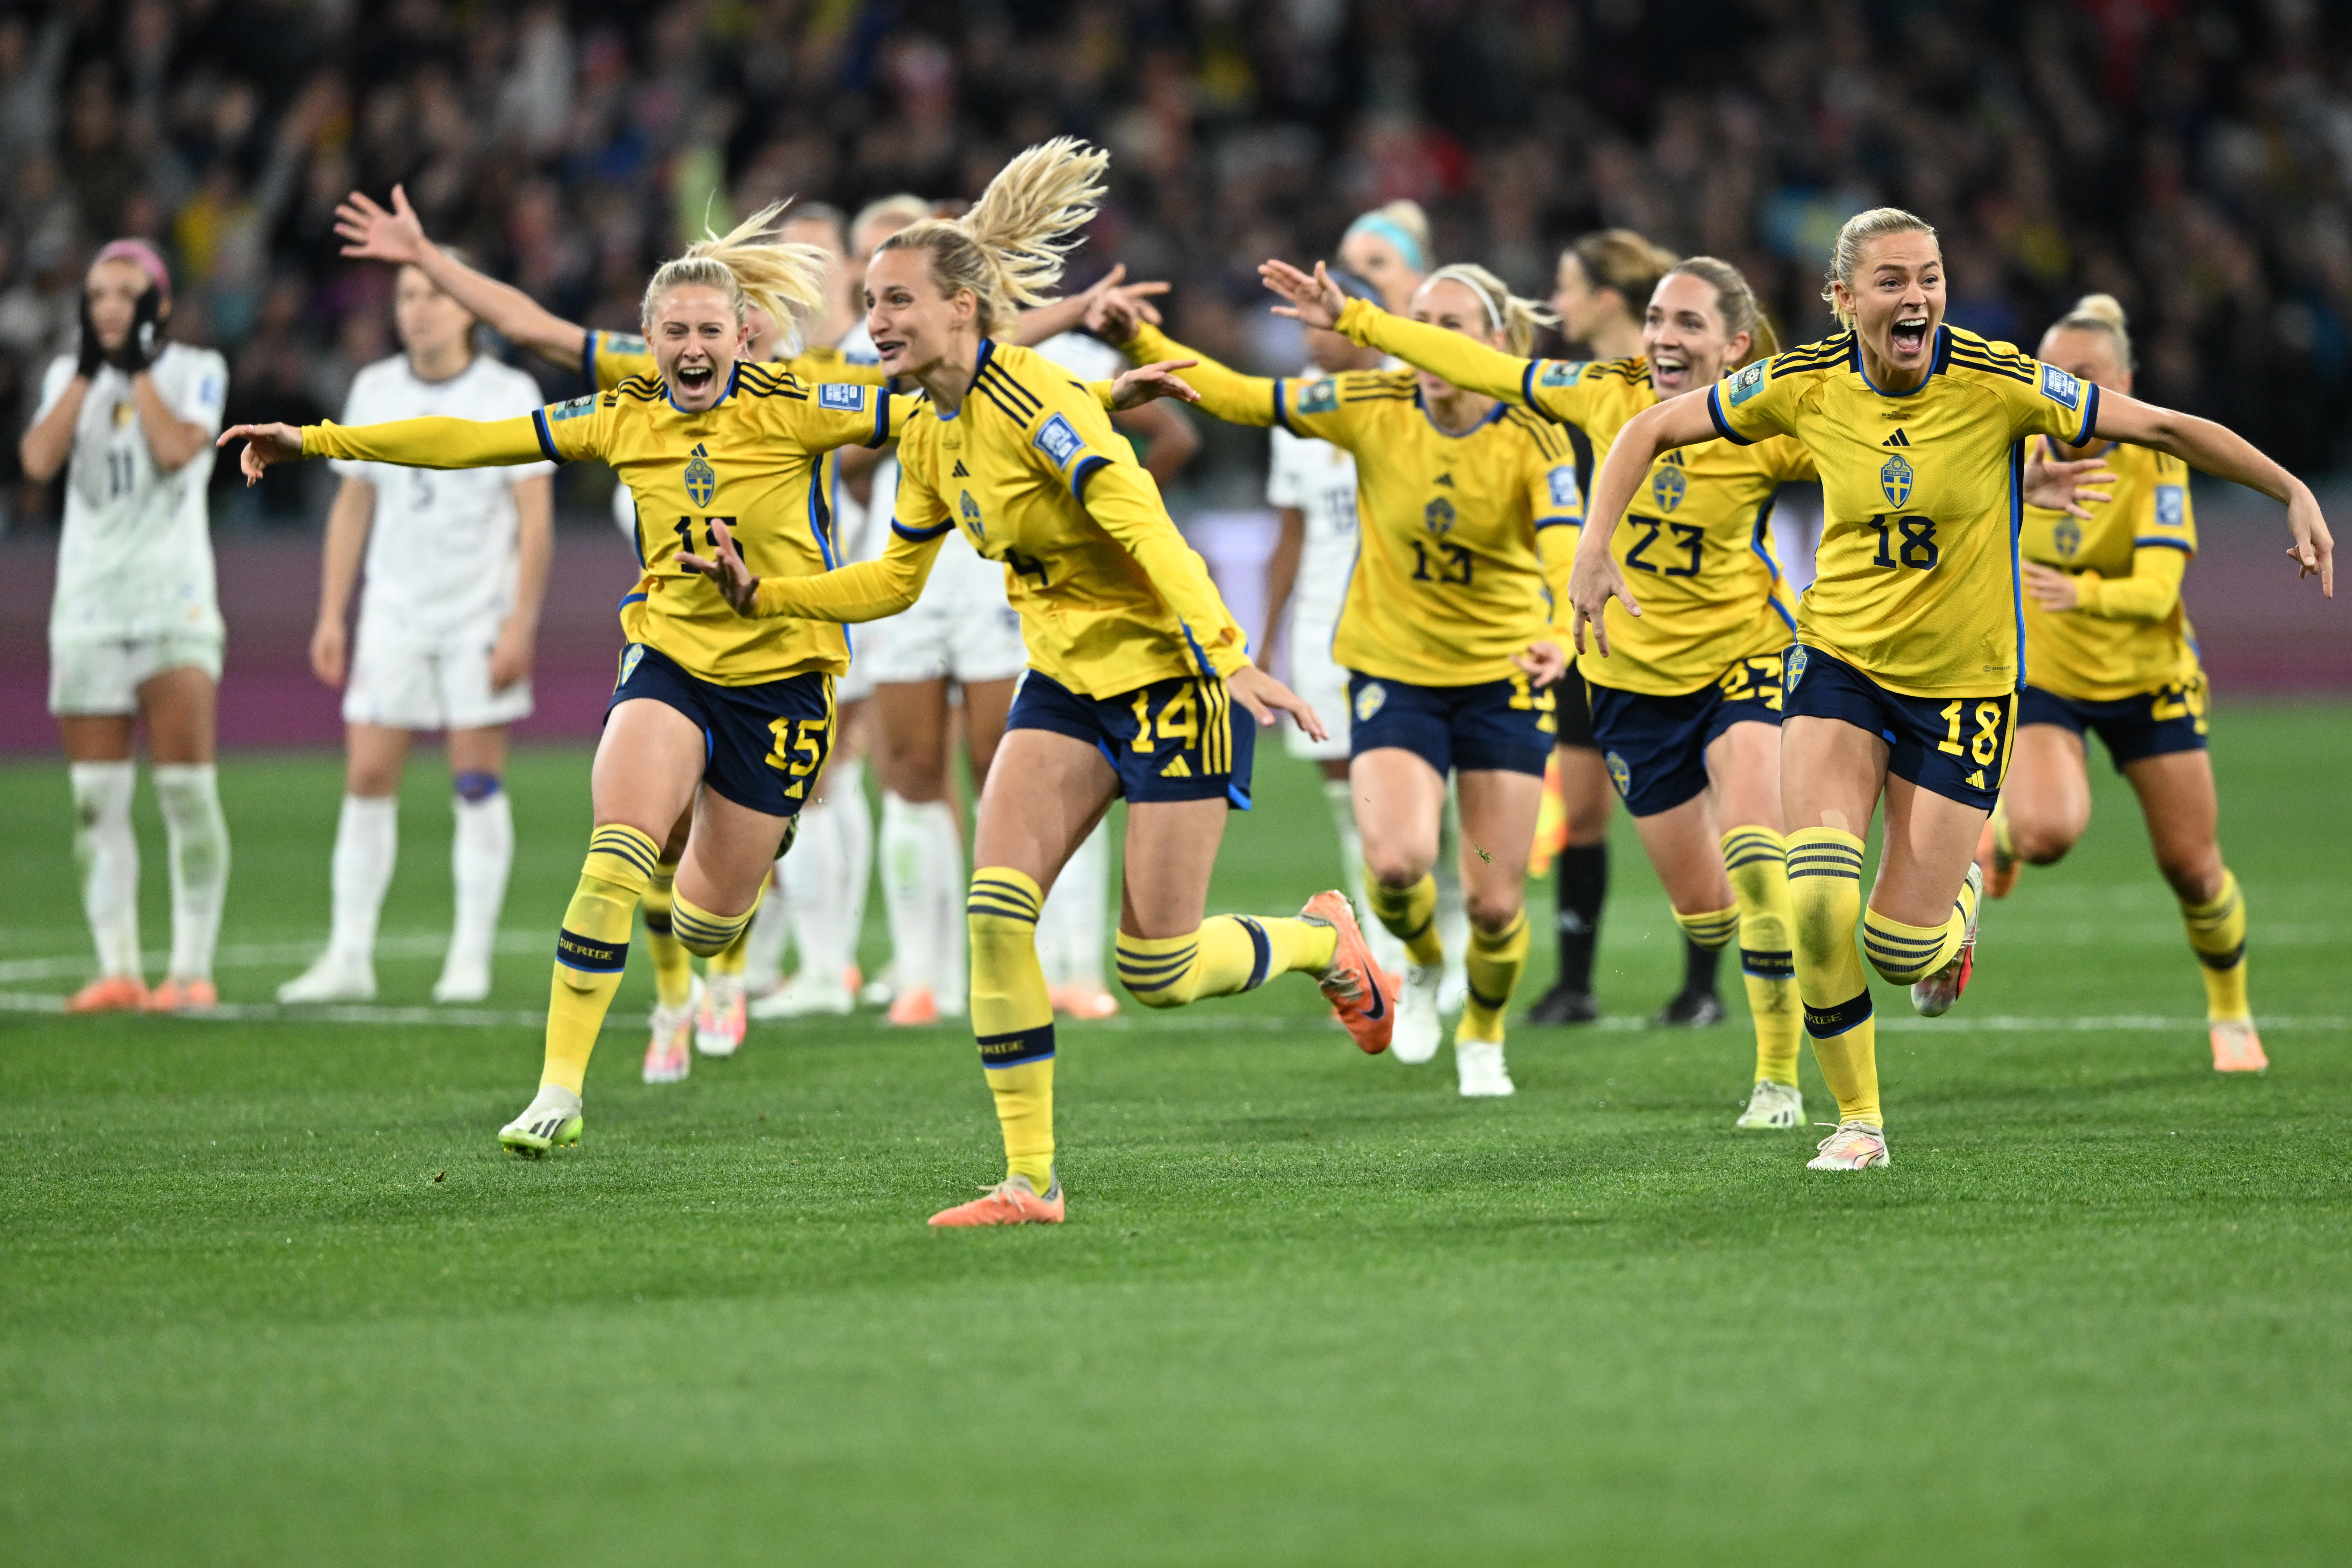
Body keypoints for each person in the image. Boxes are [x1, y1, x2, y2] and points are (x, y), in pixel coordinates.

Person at [682, 138, 1393, 1225]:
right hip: (1063, 686)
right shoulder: (928, 427)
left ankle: (1319, 942)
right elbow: (890, 582)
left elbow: (1139, 518)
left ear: (965, 308)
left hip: (1168, 679)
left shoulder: (1039, 402)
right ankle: (1031, 1181)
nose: (875, 321)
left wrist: (1229, 649)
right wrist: (767, 597)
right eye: (869, 301)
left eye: (897, 300)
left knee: (1157, 970)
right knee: (996, 910)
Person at [1571, 207, 2332, 1171]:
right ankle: (1859, 1122)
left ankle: (1955, 906)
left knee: (1898, 948)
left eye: (1927, 276)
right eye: (1890, 280)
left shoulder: (1996, 378)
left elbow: (2160, 425)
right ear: (1840, 299)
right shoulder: (1800, 383)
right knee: (1814, 899)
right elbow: (1648, 427)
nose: (1916, 297)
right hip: (1837, 664)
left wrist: (2289, 488)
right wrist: (1593, 544)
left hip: (1962, 691)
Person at [225, 207, 923, 1150]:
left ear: (742, 333)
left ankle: (718, 933)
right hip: (669, 661)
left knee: (707, 920)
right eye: (672, 331)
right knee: (617, 850)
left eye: (708, 330)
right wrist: (317, 439)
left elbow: (944, 400)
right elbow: (470, 441)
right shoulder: (624, 412)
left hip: (784, 682)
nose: (689, 345)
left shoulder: (804, 401)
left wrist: (1083, 404)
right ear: (649, 339)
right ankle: (558, 1090)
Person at [1262, 253, 1818, 1129]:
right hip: (1629, 682)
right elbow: (1483, 367)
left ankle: (1778, 1080)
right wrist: (1356, 318)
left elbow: (1881, 457)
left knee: (1757, 856)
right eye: (1656, 320)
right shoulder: (1601, 391)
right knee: (1707, 915)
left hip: (1741, 660)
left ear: (1734, 344)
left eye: (1687, 324)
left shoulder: (1771, 418)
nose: (1663, 339)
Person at [1098, 259, 1583, 1094]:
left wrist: (1554, 633)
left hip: (1503, 671)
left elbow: (1562, 545)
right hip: (1393, 670)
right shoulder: (1373, 406)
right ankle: (1424, 965)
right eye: (1420, 320)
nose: (1432, 340)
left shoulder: (1531, 432)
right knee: (1396, 868)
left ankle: (1483, 1033)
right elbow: (1244, 396)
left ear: (1495, 344)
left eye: (1454, 325)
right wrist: (1137, 339)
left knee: (1496, 905)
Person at [1978, 294, 2269, 1074]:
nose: (2068, 389)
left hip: (2149, 680)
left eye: (2087, 375)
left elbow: (2157, 587)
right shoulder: (2015, 446)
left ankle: (2232, 1013)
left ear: (2126, 380)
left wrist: (2083, 592)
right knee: (2046, 832)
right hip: (2049, 679)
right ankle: (2000, 838)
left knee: (2193, 866)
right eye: (2054, 374)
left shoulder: (2154, 457)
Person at [276, 255, 554, 1006]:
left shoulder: (509, 393)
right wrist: (334, 612)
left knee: (475, 780)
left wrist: (521, 623)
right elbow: (353, 507)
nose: (420, 309)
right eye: (407, 296)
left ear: (468, 308)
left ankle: (469, 958)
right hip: (394, 612)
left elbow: (535, 519)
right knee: (366, 777)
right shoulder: (374, 389)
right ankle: (349, 954)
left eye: (435, 294)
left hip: (478, 613)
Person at [19, 239, 231, 1014]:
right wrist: (84, 372)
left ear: (160, 304)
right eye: (99, 293)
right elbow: (37, 460)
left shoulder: (198, 369)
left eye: (128, 293)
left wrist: (136, 366)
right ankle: (117, 968)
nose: (110, 305)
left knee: (185, 792)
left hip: (172, 602)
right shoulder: (63, 376)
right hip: (86, 608)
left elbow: (179, 450)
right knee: (94, 799)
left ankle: (191, 970)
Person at [1530, 229, 1714, 1027]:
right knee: (1580, 809)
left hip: (1678, 629)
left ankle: (1703, 986)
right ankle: (1575, 983)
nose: (1556, 301)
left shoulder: (1682, 392)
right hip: (1586, 622)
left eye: (1567, 285)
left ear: (1607, 297)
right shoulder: (1578, 390)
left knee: (1698, 814)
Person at [1257, 266, 1406, 979]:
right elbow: (1290, 535)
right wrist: (1267, 635)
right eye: (1302, 330)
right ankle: (1385, 948)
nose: (1311, 343)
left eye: (1320, 326)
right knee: (1352, 798)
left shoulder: (1416, 390)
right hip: (1323, 624)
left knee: (1417, 795)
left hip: (1408, 624)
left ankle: (1446, 931)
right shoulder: (1297, 413)